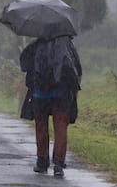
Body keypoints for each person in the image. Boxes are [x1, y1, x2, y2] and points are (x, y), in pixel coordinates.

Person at [19, 36, 82, 177]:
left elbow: (24, 63)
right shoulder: (67, 44)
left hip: (40, 94)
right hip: (62, 93)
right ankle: (58, 164)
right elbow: (76, 69)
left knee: (41, 125)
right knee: (60, 127)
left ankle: (42, 161)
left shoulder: (37, 44)